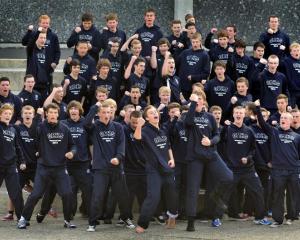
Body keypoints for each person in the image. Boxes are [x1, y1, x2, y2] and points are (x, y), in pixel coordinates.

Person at [17, 103, 77, 229]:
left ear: (58, 114)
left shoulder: (65, 129)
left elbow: (73, 145)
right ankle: (23, 219)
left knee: (67, 193)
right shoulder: (41, 127)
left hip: (60, 168)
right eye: (51, 113)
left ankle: (67, 220)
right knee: (36, 194)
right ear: (47, 114)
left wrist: (72, 152)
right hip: (43, 168)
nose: (53, 115)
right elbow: (34, 137)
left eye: (55, 113)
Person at [184, 90, 233, 230]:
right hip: (195, 157)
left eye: (200, 98)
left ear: (204, 100)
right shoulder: (188, 115)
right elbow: (187, 123)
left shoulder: (210, 117)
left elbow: (217, 135)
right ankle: (190, 222)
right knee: (193, 189)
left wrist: (210, 142)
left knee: (228, 177)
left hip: (211, 154)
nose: (198, 100)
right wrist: (192, 104)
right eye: (195, 99)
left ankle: (215, 194)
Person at [86, 102, 134, 232]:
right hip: (100, 168)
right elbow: (85, 123)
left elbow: (121, 145)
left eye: (109, 112)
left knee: (122, 195)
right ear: (99, 114)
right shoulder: (95, 127)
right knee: (97, 196)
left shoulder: (118, 127)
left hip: (116, 167)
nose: (107, 115)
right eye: (104, 112)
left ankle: (126, 218)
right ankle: (93, 222)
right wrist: (95, 107)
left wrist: (118, 158)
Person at [220, 106, 271, 225]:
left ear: (244, 115)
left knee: (258, 191)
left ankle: (260, 217)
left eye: (241, 113)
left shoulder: (249, 131)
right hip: (232, 169)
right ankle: (216, 217)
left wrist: (247, 158)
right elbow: (220, 144)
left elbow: (253, 149)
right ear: (233, 115)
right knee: (225, 192)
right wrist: (226, 162)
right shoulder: (227, 129)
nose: (238, 115)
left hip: (248, 169)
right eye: (236, 113)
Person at [254, 100, 300, 227]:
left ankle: (291, 216)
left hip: (293, 170)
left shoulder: (297, 136)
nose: (283, 119)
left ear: (291, 122)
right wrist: (258, 108)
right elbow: (262, 123)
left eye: (286, 118)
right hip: (278, 170)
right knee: (277, 195)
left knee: (292, 195)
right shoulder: (274, 132)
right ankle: (277, 219)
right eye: (282, 117)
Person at [134, 105, 178, 233]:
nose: (155, 114)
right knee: (153, 196)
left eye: (155, 112)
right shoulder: (145, 129)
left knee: (173, 195)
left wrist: (172, 159)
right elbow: (137, 139)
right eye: (151, 113)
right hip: (153, 169)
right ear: (147, 118)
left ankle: (172, 216)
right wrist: (139, 125)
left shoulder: (163, 128)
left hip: (167, 168)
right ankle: (142, 224)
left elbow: (168, 146)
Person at [22, 14, 60, 98]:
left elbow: (57, 51)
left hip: (45, 76)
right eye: (43, 23)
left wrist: (55, 62)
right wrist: (31, 32)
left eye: (47, 23)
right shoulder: (32, 47)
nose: (45, 25)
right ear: (39, 24)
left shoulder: (53, 37)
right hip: (34, 78)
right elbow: (25, 42)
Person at [0, 104, 25, 223]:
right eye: (5, 113)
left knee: (16, 192)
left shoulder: (13, 129)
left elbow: (17, 147)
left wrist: (22, 161)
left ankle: (21, 218)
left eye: (10, 114)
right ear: (0, 115)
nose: (8, 116)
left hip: (11, 166)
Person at [177, 32, 210, 99]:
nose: (195, 44)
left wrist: (194, 77)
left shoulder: (205, 55)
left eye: (197, 42)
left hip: (196, 88)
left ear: (200, 41)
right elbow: (176, 63)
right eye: (193, 42)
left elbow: (206, 74)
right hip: (183, 86)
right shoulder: (185, 52)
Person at [280, 42, 300, 108]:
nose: (296, 52)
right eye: (294, 51)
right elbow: (279, 63)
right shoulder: (287, 61)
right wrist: (281, 51)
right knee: (291, 109)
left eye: (298, 50)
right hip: (292, 91)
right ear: (291, 52)